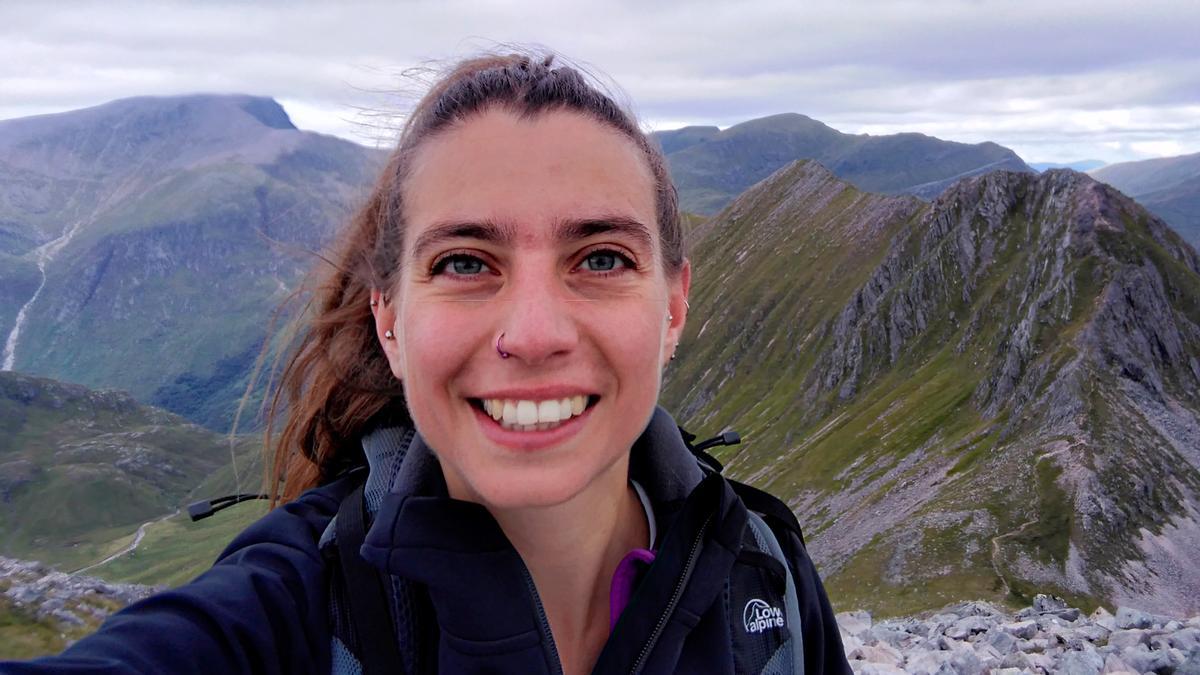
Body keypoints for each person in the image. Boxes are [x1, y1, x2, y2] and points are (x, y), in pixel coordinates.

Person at [3, 52, 850, 675]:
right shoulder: (291, 610)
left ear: (672, 305)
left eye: (599, 258)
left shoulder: (765, 573)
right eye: (464, 262)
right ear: (390, 317)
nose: (533, 332)